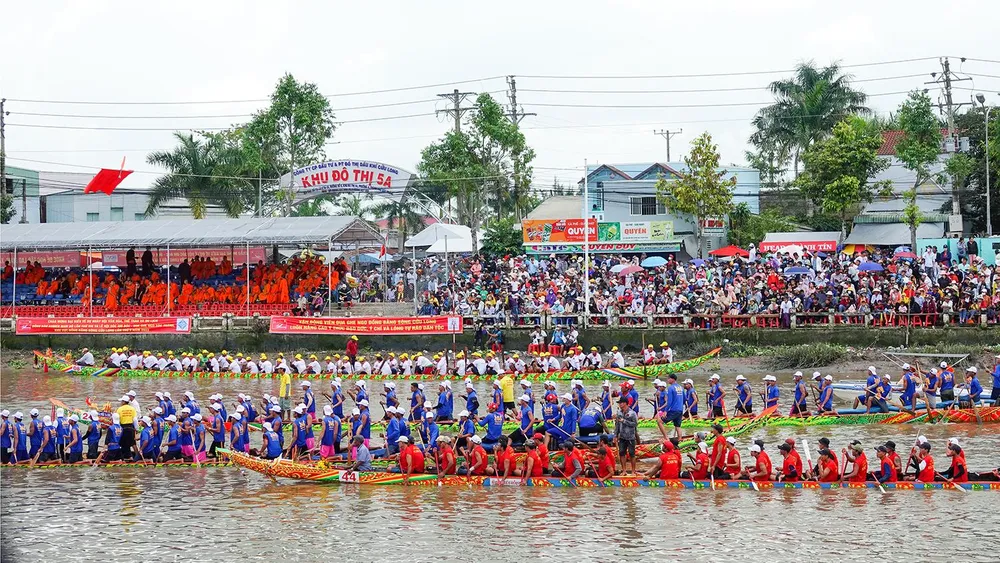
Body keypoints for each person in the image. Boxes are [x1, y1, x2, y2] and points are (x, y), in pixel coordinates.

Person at [613, 397, 637, 475]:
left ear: (625, 403)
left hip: (630, 437)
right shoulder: (619, 413)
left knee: (632, 454)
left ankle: (633, 471)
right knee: (622, 453)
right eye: (619, 403)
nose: (620, 404)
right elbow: (617, 425)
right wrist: (615, 435)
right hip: (622, 437)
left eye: (621, 403)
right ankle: (624, 470)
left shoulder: (632, 413)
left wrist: (624, 421)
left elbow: (635, 424)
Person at [115, 395, 137, 460]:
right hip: (131, 427)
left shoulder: (119, 409)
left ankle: (124, 457)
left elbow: (117, 420)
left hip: (123, 427)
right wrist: (137, 429)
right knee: (133, 443)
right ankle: (137, 456)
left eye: (122, 401)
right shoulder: (132, 409)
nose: (121, 402)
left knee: (122, 442)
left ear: (124, 402)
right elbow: (135, 420)